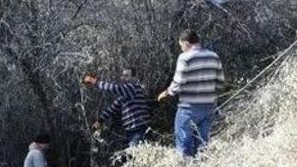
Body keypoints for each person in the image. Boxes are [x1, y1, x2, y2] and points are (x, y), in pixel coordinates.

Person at [157, 29, 225, 157]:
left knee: (183, 147)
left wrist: (167, 93)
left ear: (186, 43)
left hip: (189, 108)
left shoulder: (185, 57)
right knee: (202, 146)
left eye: (181, 46)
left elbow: (179, 82)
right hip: (209, 107)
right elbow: (220, 83)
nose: (181, 49)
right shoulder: (214, 56)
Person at [82, 68, 151, 147]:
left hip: (138, 129)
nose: (123, 78)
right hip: (133, 130)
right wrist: (100, 120)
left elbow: (114, 88)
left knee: (138, 152)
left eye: (127, 76)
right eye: (123, 76)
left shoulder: (133, 88)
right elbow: (113, 108)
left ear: (134, 78)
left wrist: (95, 82)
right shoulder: (126, 94)